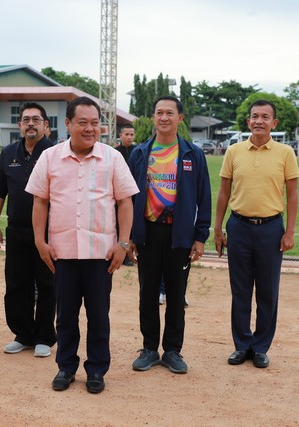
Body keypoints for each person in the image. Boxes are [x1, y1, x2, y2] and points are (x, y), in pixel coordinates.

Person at [26, 96, 138, 394]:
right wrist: (40, 241)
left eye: (94, 123)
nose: (90, 129)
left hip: (101, 254)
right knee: (65, 315)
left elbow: (125, 202)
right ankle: (66, 367)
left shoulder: (113, 158)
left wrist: (123, 243)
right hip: (62, 253)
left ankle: (96, 370)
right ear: (68, 124)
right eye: (82, 123)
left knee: (99, 316)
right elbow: (40, 201)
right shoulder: (50, 157)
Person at [214, 99, 299, 369]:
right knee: (240, 290)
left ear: (274, 123)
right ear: (248, 122)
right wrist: (217, 228)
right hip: (238, 226)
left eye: (265, 117)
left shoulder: (285, 153)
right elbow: (224, 193)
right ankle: (242, 345)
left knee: (267, 292)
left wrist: (290, 232)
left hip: (272, 229)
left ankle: (261, 347)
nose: (259, 121)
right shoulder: (234, 151)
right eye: (254, 116)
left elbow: (293, 194)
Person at [129, 96, 211, 375]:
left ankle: (173, 350)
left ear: (180, 118)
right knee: (147, 293)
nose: (164, 117)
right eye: (159, 113)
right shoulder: (140, 153)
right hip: (147, 234)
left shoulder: (192, 154)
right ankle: (150, 348)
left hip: (180, 235)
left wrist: (200, 237)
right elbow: (128, 198)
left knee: (176, 296)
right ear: (153, 118)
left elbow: (204, 197)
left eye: (170, 113)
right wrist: (130, 234)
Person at [0, 101, 55, 357]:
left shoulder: (55, 153)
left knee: (48, 284)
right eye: (26, 119)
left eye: (36, 119)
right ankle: (23, 333)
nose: (30, 123)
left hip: (49, 232)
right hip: (16, 230)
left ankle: (44, 337)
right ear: (19, 125)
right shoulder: (8, 153)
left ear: (45, 125)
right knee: (17, 284)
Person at [114, 124, 137, 266]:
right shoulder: (115, 152)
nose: (129, 137)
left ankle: (129, 254)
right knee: (118, 223)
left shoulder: (137, 151)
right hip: (118, 193)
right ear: (120, 136)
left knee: (131, 224)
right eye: (126, 134)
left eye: (131, 134)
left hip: (134, 192)